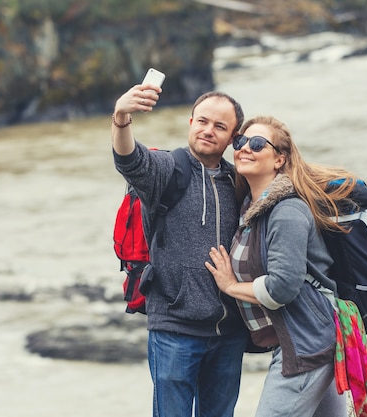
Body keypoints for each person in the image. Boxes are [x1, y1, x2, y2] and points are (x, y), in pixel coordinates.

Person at [111, 81, 250, 417]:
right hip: (175, 327)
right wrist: (121, 117)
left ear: (233, 138)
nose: (208, 130)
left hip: (229, 331)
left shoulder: (240, 183)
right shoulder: (167, 169)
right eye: (202, 121)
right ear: (191, 123)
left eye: (220, 126)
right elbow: (130, 160)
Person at [204, 115, 357, 417]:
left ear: (279, 159)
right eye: (240, 141)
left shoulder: (287, 211)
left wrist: (231, 286)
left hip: (307, 340)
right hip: (307, 337)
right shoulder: (252, 207)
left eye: (257, 143)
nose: (245, 148)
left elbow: (283, 288)